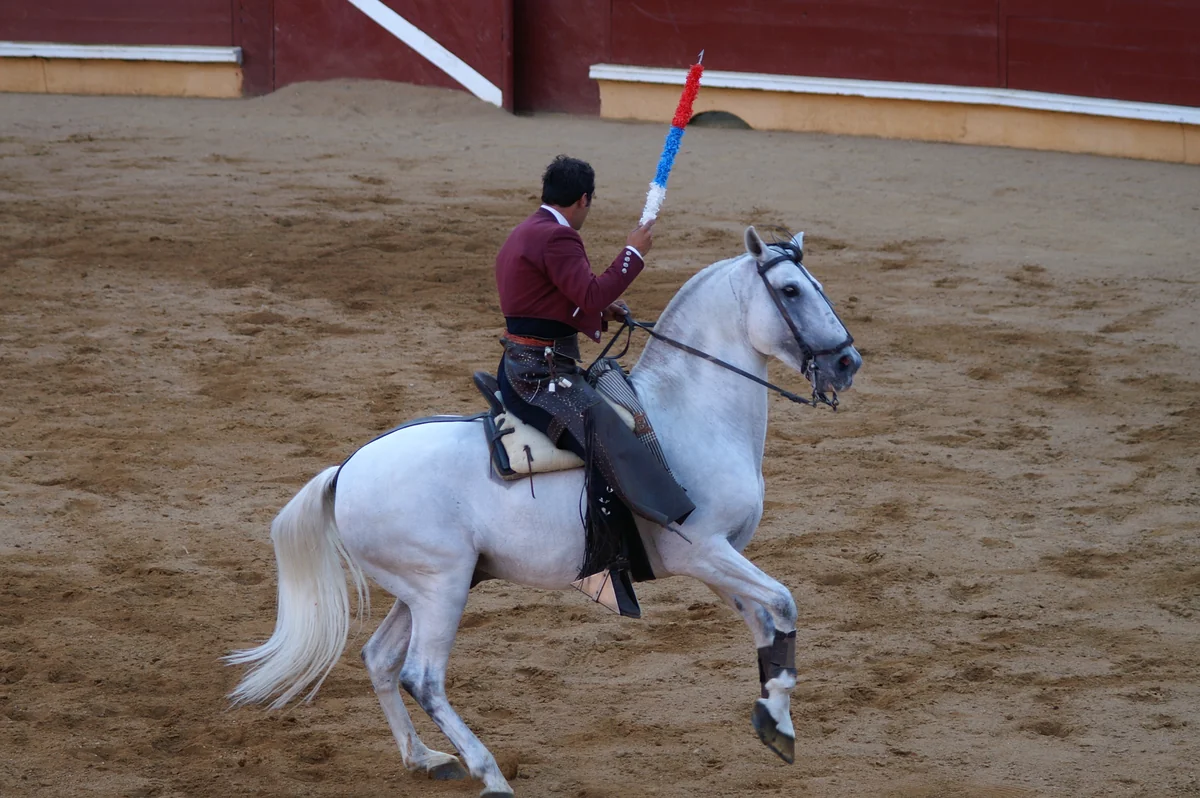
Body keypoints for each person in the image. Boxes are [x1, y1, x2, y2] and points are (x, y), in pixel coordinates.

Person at [493, 155, 694, 617]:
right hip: (539, 376)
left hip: (526, 363)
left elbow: (545, 298)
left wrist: (598, 313)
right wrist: (633, 254)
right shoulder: (560, 236)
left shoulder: (529, 230)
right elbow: (588, 292)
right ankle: (598, 563)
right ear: (583, 199)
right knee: (607, 432)